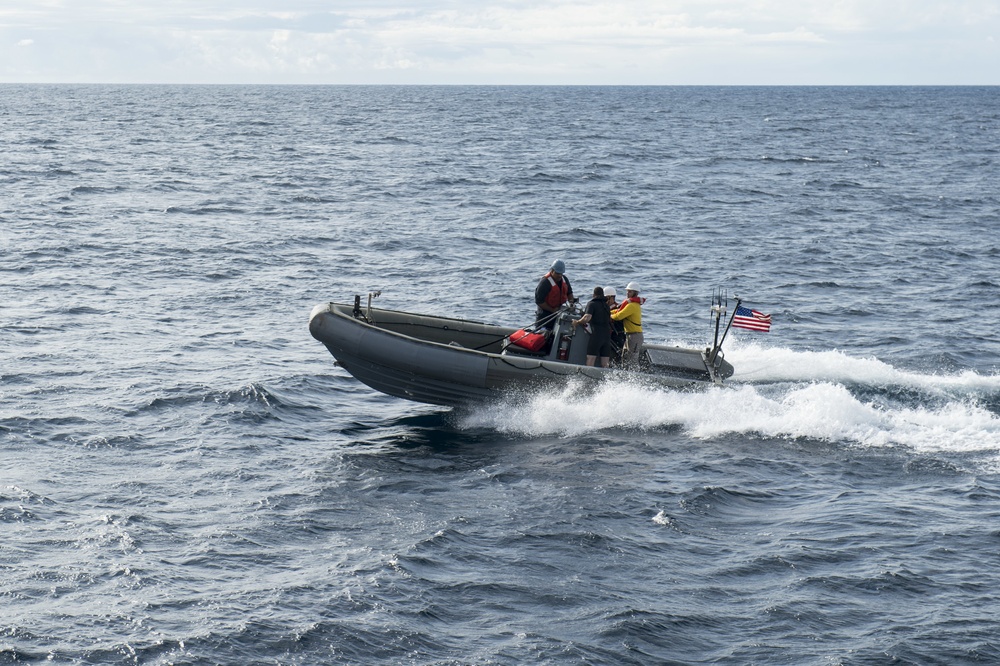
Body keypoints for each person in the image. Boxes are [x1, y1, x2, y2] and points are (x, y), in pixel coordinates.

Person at [572, 286, 613, 367]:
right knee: (605, 363)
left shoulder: (592, 304)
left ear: (594, 295)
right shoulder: (606, 306)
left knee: (591, 358)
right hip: (607, 336)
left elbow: (587, 318)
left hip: (597, 335)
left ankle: (587, 378)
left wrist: (577, 322)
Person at [534, 259, 574, 330]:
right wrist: (552, 310)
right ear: (552, 271)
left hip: (558, 315)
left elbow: (569, 293)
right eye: (557, 273)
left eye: (561, 273)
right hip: (544, 316)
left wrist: (571, 303)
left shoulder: (564, 279)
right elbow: (539, 301)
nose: (560, 275)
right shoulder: (545, 283)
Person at [611, 281, 644, 365]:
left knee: (632, 359)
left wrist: (609, 316)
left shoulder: (632, 305)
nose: (627, 293)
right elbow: (618, 311)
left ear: (635, 293)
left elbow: (619, 316)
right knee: (625, 356)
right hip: (630, 335)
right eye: (627, 291)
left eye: (630, 291)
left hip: (635, 335)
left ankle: (635, 376)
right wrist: (609, 312)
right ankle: (626, 375)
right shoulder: (631, 304)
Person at [604, 286, 626, 364]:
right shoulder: (606, 308)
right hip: (609, 336)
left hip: (617, 336)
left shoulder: (617, 308)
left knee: (616, 355)